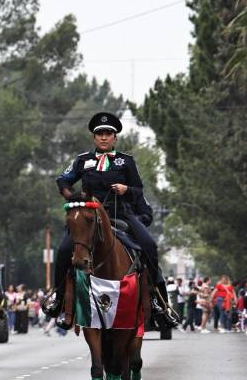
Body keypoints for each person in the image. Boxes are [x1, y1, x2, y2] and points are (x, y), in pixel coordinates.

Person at [45, 111, 176, 329]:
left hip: (121, 213)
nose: (104, 137)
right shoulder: (82, 160)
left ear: (115, 137)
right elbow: (63, 179)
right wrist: (70, 196)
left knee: (150, 246)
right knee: (63, 251)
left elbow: (138, 190)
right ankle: (58, 300)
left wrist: (126, 189)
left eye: (108, 134)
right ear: (94, 138)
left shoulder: (127, 161)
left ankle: (157, 300)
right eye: (100, 134)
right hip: (88, 217)